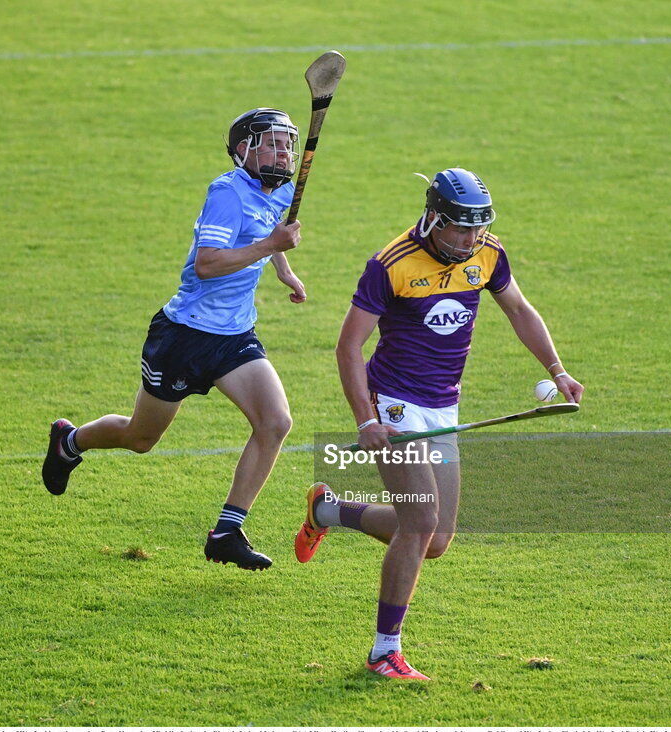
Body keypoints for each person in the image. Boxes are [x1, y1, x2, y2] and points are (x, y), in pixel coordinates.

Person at [294, 168, 584, 678]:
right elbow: (348, 346)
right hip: (393, 404)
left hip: (442, 406)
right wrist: (366, 420)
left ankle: (330, 511)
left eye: (478, 228)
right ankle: (385, 651)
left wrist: (557, 371)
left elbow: (518, 309)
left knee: (436, 540)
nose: (470, 239)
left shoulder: (487, 253)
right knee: (420, 520)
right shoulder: (391, 265)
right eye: (460, 229)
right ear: (432, 218)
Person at [43, 108, 308, 571]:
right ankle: (70, 442)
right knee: (140, 438)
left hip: (234, 335)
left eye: (287, 143)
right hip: (184, 335)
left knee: (275, 423)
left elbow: (270, 230)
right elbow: (207, 264)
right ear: (242, 150)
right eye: (270, 142)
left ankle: (227, 532)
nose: (282, 151)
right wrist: (272, 249)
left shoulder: (280, 189)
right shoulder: (226, 192)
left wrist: (285, 271)